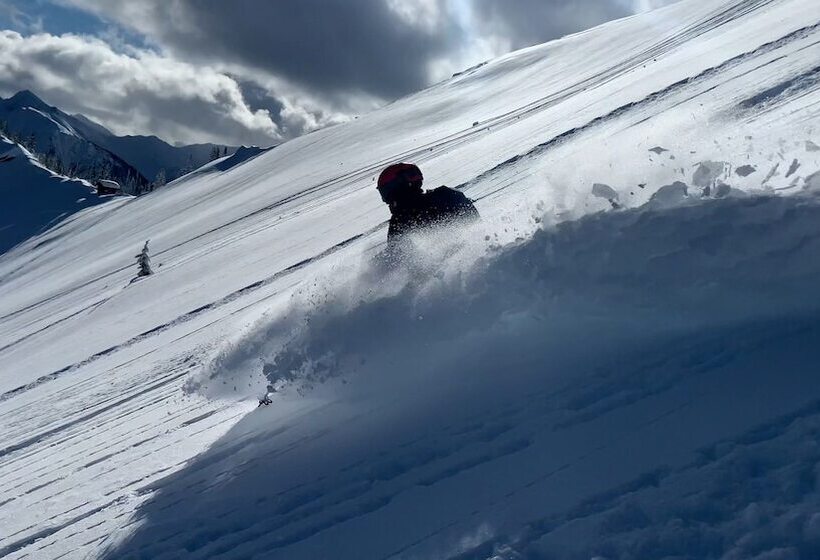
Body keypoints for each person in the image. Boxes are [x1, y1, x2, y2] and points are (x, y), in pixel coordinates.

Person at [376, 163, 479, 248]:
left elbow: (395, 257)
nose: (387, 199)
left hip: (465, 252)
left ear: (398, 186)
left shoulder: (400, 219)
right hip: (472, 251)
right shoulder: (445, 194)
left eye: (386, 190)